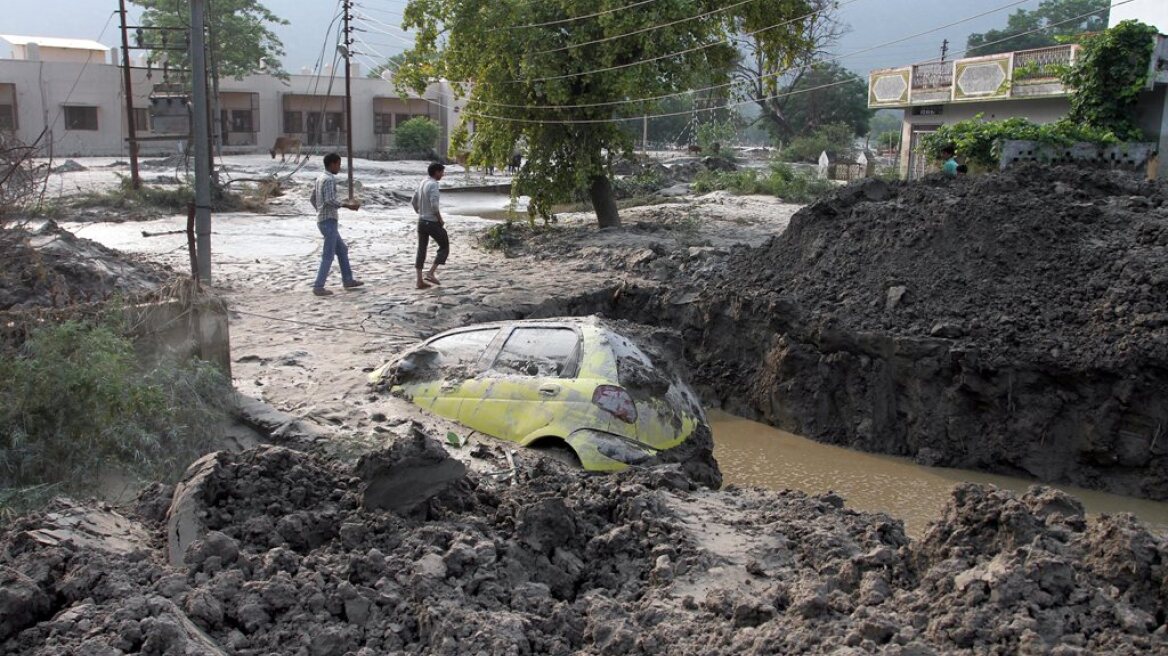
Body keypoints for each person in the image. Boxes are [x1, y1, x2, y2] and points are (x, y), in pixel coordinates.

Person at [310, 152, 363, 296]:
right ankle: (318, 286)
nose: (339, 167)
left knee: (342, 250)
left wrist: (319, 212)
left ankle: (348, 280)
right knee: (328, 255)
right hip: (328, 221)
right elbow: (329, 200)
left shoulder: (320, 178)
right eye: (338, 164)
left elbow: (312, 198)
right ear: (332, 164)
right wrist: (347, 205)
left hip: (324, 220)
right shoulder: (328, 179)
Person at [411, 162, 449, 289]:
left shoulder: (423, 182)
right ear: (436, 172)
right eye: (442, 172)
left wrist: (420, 212)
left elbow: (413, 201)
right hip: (431, 222)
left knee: (421, 249)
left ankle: (419, 280)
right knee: (444, 245)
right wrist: (440, 219)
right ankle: (431, 272)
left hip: (421, 221)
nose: (442, 175)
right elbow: (434, 206)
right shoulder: (433, 185)